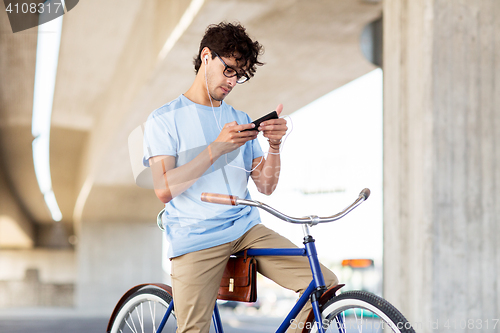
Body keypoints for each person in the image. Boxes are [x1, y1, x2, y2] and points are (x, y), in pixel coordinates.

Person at [143, 22, 338, 333]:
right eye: (229, 69)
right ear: (206, 56)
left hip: (245, 228)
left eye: (240, 75)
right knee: (194, 329)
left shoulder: (241, 119)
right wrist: (217, 148)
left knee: (323, 283)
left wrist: (274, 146)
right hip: (197, 234)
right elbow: (164, 189)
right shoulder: (164, 119)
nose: (233, 81)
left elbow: (266, 185)